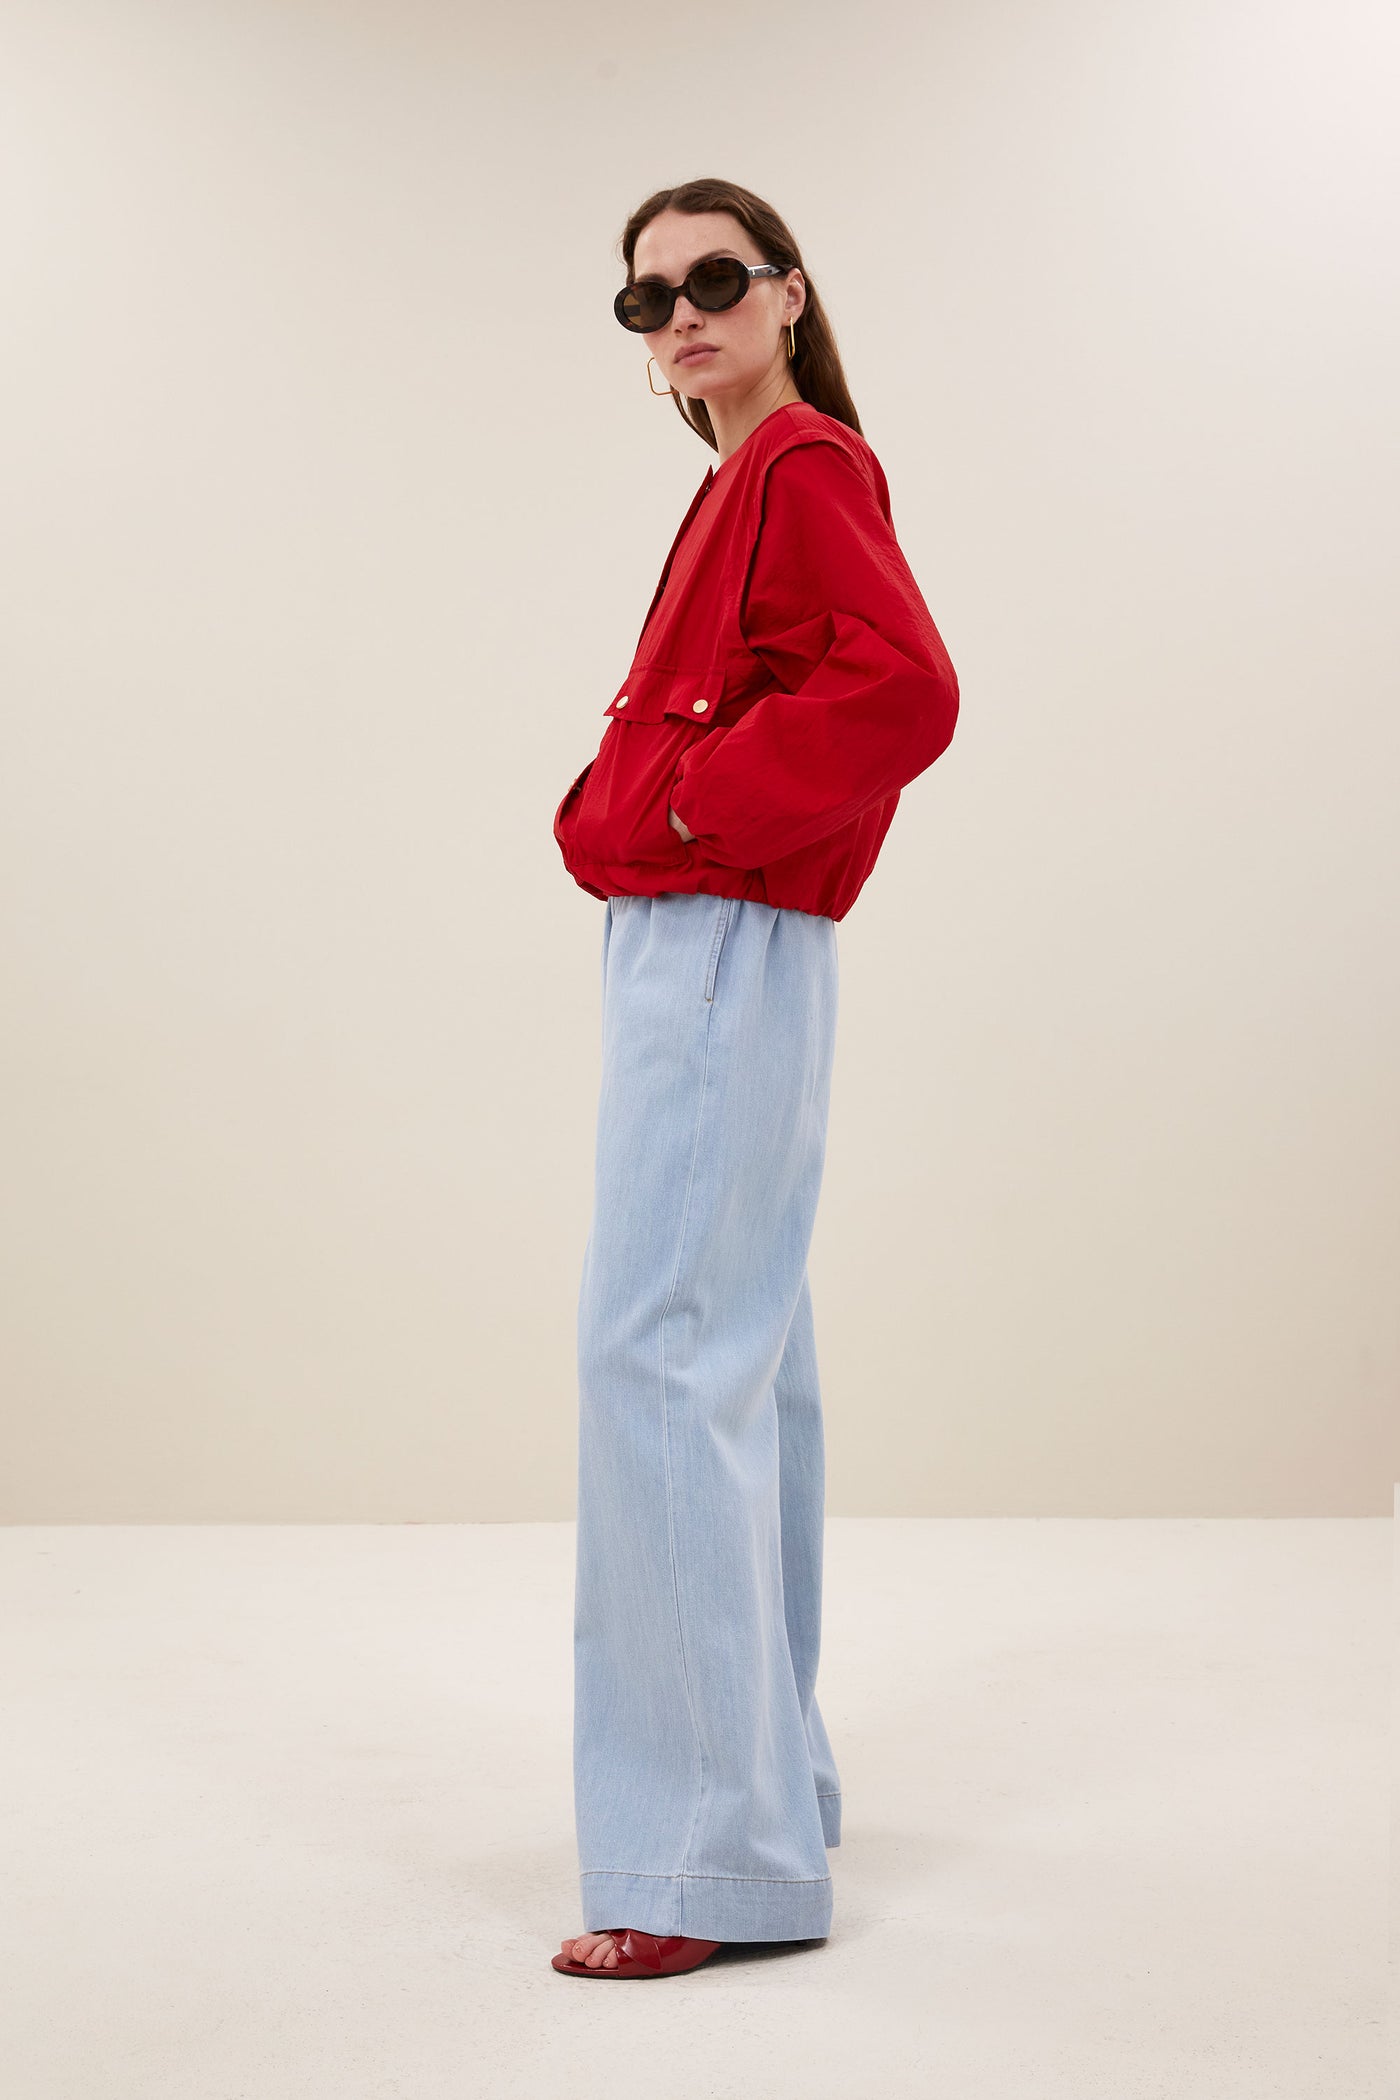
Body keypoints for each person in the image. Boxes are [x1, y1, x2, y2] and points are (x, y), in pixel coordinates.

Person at [549, 178, 960, 1980]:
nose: (681, 315)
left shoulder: (799, 465)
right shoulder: (745, 479)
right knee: (737, 1357)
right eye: (646, 300)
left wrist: (688, 812)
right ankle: (765, 1788)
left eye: (715, 278)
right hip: (722, 937)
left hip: (721, 930)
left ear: (790, 293)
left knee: (658, 1357)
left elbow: (905, 692)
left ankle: (707, 1860)